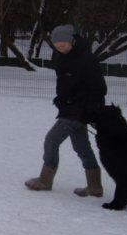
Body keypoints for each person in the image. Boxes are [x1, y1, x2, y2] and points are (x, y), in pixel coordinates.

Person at [24, 24, 106, 197]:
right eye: (57, 46)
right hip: (70, 108)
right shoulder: (65, 57)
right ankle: (95, 186)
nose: (61, 48)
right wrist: (61, 98)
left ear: (72, 41)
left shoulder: (86, 59)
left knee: (51, 140)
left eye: (63, 45)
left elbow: (99, 87)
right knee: (81, 146)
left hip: (78, 109)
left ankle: (45, 180)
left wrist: (93, 106)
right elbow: (67, 83)